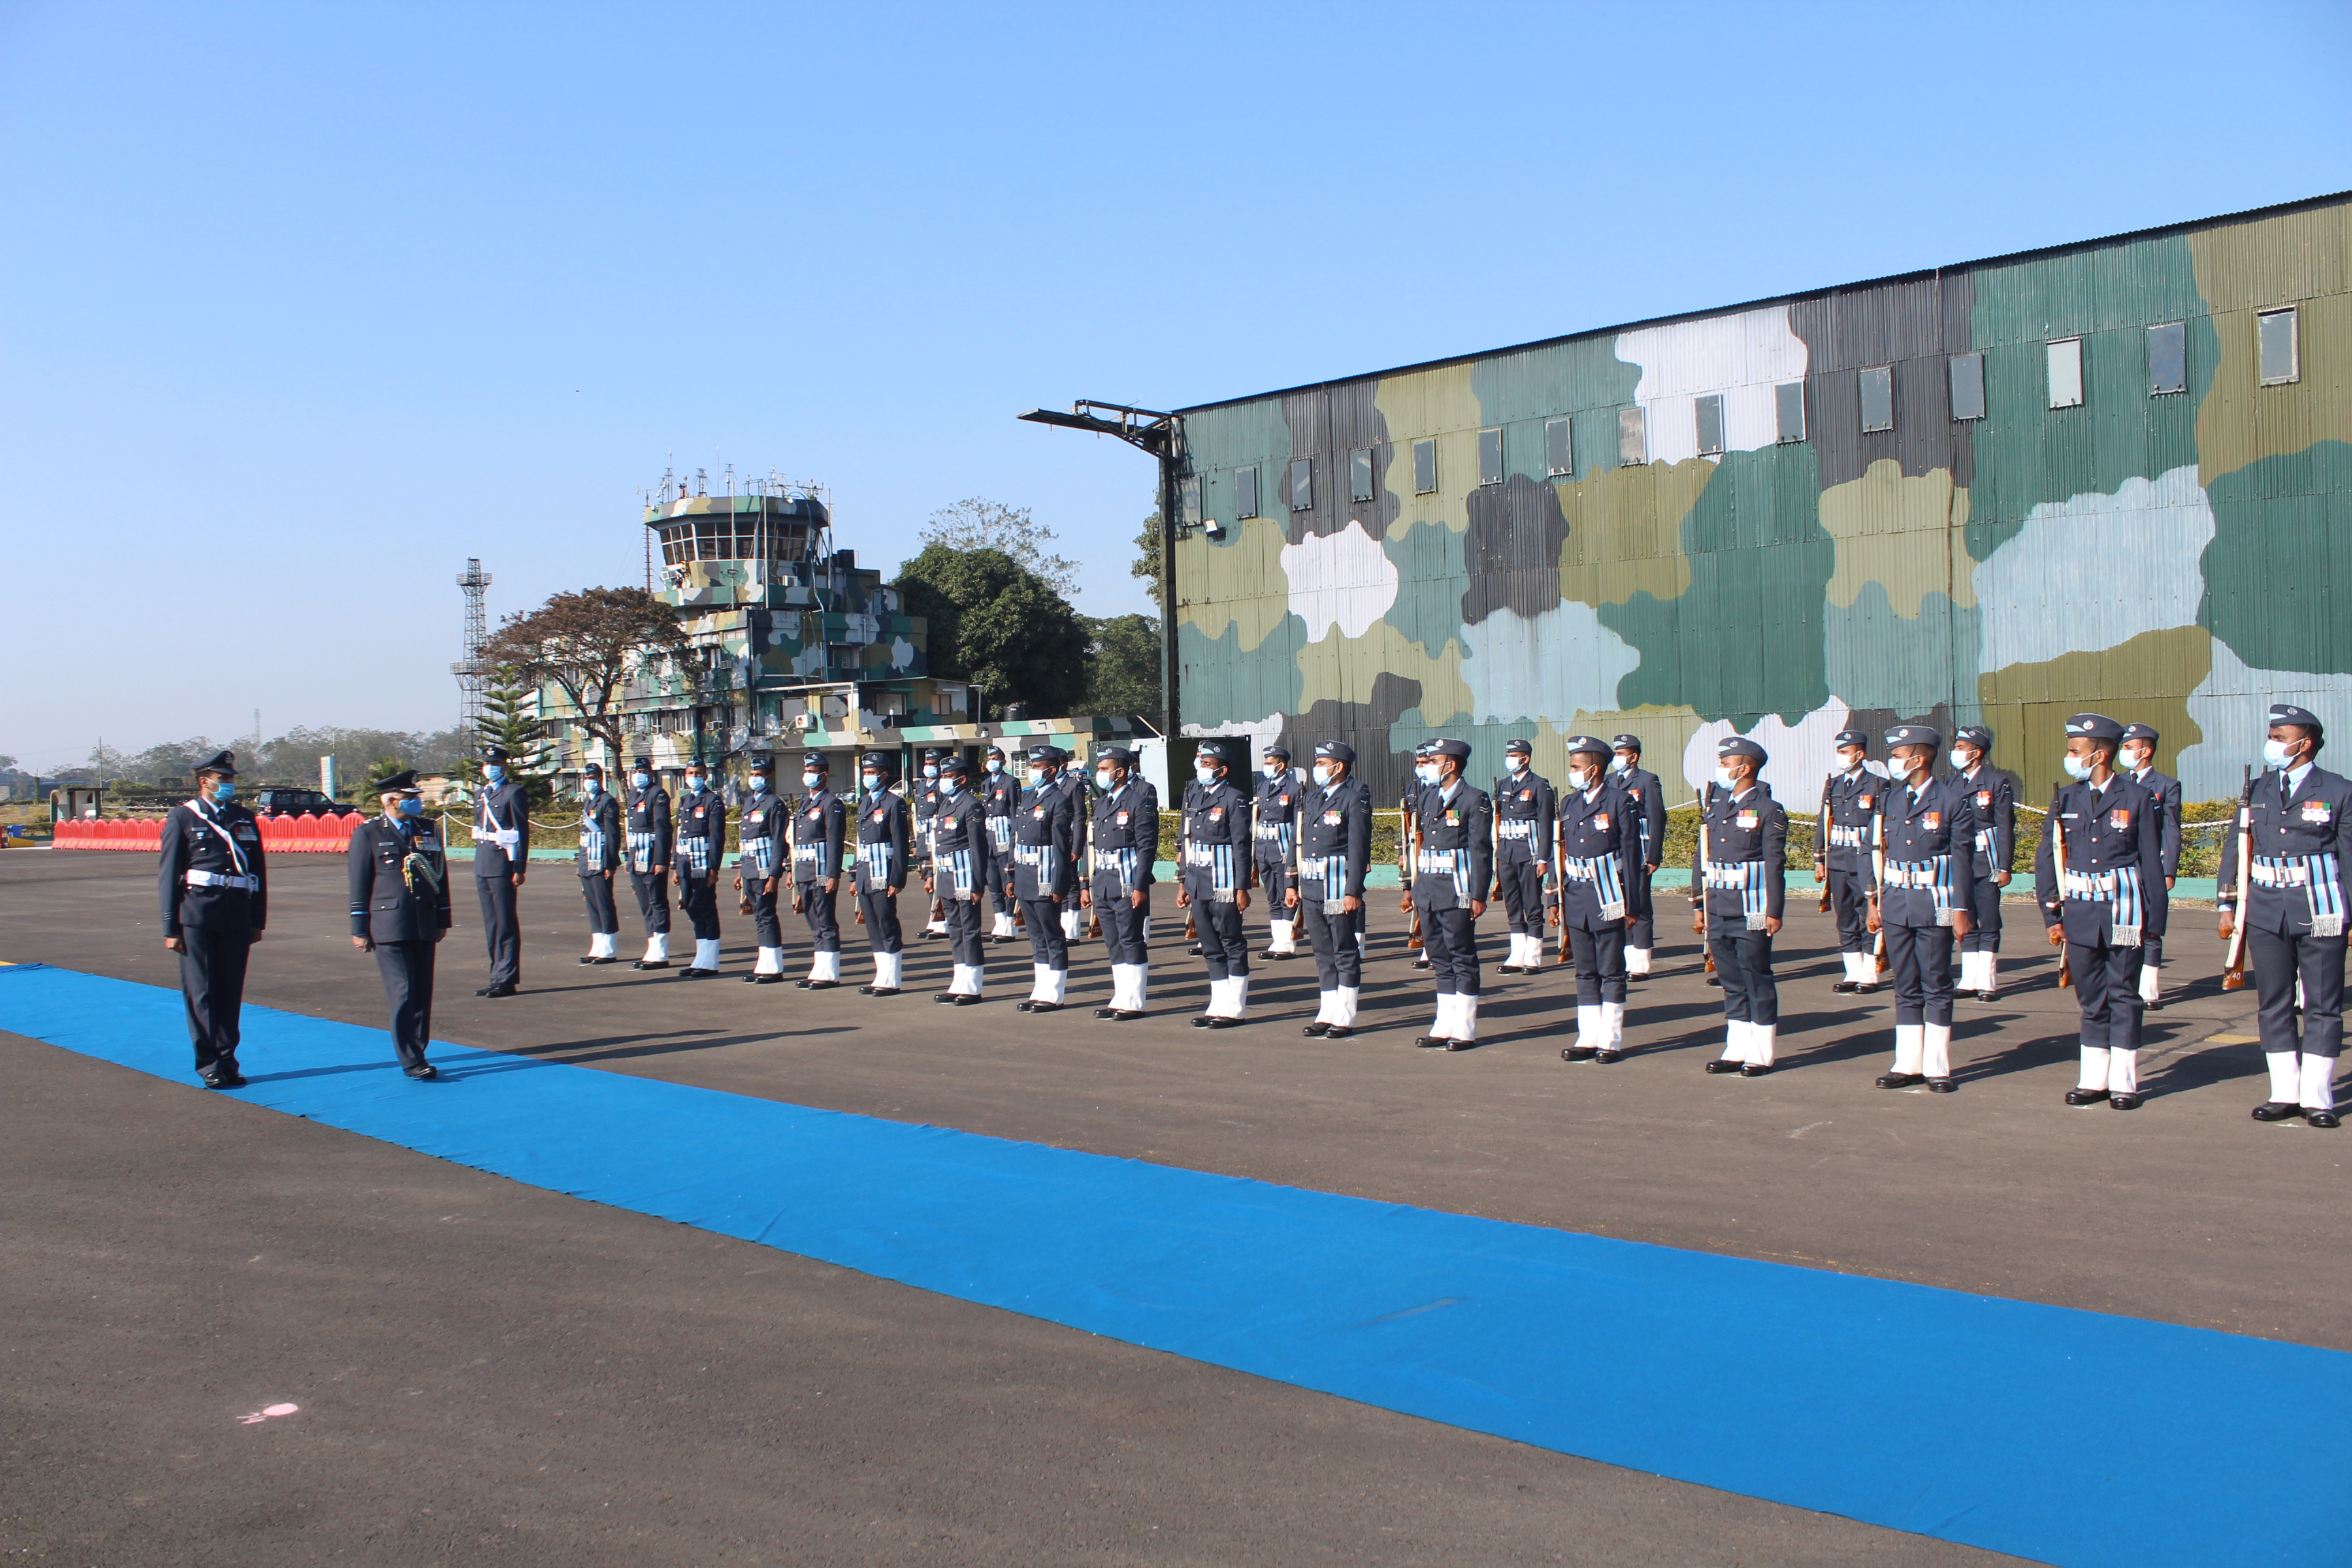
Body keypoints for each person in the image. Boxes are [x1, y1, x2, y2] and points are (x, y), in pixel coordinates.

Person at [2217, 704, 2352, 1127]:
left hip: (2321, 907)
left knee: (2322, 1004)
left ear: (2304, 743)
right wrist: (2227, 903)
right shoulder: (2256, 790)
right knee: (2273, 1001)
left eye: (2279, 737)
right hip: (2266, 910)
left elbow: (2349, 858)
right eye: (2272, 736)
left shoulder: (2338, 790)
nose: (2271, 744)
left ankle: (2318, 1098)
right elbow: (2236, 849)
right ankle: (2284, 1093)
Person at [2035, 713, 2166, 1110]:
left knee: (2124, 996)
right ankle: (2093, 1079)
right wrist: (2050, 914)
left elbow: (2150, 864)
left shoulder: (2137, 798)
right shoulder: (2066, 798)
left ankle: (2124, 1082)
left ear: (2101, 753)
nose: (2070, 756)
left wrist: (2154, 925)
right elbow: (2048, 858)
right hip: (2080, 913)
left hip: (2123, 910)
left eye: (2076, 750)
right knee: (2091, 1000)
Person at [1869, 725, 1976, 1093]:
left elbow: (1963, 859)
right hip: (1897, 903)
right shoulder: (1893, 800)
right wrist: (1873, 902)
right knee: (1905, 984)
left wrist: (1961, 909)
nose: (1893, 762)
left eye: (1898, 756)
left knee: (1936, 983)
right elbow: (1877, 852)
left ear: (1920, 758)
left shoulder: (1952, 801)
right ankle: (1907, 1063)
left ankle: (1937, 1066)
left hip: (1936, 903)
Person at [157, 749, 265, 1088]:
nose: (230, 784)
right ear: (205, 782)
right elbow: (168, 875)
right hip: (197, 914)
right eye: (224, 779)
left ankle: (228, 1059)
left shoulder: (244, 817)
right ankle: (210, 1065)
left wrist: (257, 920)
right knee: (202, 992)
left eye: (232, 779)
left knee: (230, 990)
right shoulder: (183, 818)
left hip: (236, 914)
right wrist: (170, 926)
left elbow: (258, 873)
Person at [348, 770, 451, 1081]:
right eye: (410, 799)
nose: (416, 803)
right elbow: (359, 884)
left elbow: (440, 874)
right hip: (389, 923)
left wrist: (443, 917)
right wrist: (359, 928)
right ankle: (410, 1059)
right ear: (392, 801)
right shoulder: (368, 833)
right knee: (403, 991)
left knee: (421, 991)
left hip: (424, 920)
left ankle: (418, 1047)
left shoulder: (427, 829)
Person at [1695, 736, 1786, 1075]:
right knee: (1731, 980)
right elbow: (1701, 857)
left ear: (1744, 768)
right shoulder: (1717, 806)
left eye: (1726, 762)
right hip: (1718, 903)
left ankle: (1761, 1053)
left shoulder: (1768, 809)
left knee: (1756, 978)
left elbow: (1775, 863)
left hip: (1751, 906)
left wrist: (1774, 911)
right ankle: (1736, 1048)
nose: (1721, 768)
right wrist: (1698, 902)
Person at [1552, 736, 1642, 1063]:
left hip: (1608, 895)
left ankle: (1611, 1039)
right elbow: (1558, 852)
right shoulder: (1569, 803)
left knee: (1611, 970)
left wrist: (1634, 905)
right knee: (1585, 971)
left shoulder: (1620, 802)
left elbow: (1632, 856)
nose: (1572, 773)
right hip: (1576, 895)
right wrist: (1553, 896)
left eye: (1576, 767)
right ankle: (1588, 1037)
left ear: (1594, 769)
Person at [1401, 738, 1492, 1051]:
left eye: (1434, 760)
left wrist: (1479, 895)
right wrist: (1413, 889)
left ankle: (1464, 1028)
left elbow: (1481, 851)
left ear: (1451, 765)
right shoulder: (1427, 797)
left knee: (1462, 958)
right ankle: (1443, 1024)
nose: (1427, 765)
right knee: (1440, 960)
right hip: (1427, 892)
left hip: (1457, 891)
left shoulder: (1474, 799)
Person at [1294, 740, 1372, 1038]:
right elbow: (1298, 842)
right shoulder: (1312, 798)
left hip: (1339, 886)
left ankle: (1345, 1015)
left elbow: (1358, 845)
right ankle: (1327, 1011)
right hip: (1312, 887)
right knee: (1322, 952)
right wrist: (1293, 883)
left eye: (1322, 764)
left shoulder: (1355, 796)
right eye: (1317, 762)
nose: (1317, 768)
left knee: (1344, 950)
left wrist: (1354, 891)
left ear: (1338, 767)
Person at [1180, 739, 1255, 1028]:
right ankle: (1218, 1002)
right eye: (1200, 763)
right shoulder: (1195, 795)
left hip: (1224, 880)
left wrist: (1241, 887)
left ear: (1222, 771)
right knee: (1210, 945)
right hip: (1198, 882)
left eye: (1207, 765)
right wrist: (1183, 883)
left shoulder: (1233, 798)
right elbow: (1188, 841)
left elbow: (1240, 844)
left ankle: (1234, 1007)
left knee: (1231, 941)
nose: (1201, 768)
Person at [1085, 745, 1160, 1019]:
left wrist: (1140, 886)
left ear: (1121, 771)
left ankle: (1135, 1000)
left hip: (1127, 881)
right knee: (1113, 941)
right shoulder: (1102, 802)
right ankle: (1120, 996)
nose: (1099, 774)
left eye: (1104, 769)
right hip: (1104, 881)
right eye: (1099, 768)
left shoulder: (1139, 802)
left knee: (1131, 939)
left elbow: (1146, 847)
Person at [1946, 727, 2014, 1002]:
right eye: (1957, 747)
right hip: (1959, 862)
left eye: (1962, 747)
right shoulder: (1951, 784)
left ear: (1977, 753)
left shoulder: (1996, 783)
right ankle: (1969, 979)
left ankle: (1987, 981)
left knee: (1988, 920)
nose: (1957, 752)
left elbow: (2005, 826)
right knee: (1965, 916)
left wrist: (2005, 866)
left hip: (1986, 861)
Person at [1013, 745, 1082, 1011]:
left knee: (1052, 935)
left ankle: (1054, 993)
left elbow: (1061, 847)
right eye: (1032, 766)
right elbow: (1016, 840)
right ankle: (1039, 990)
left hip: (1045, 878)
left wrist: (1059, 884)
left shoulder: (1059, 801)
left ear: (1052, 770)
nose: (1033, 771)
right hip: (1025, 877)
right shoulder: (1028, 798)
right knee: (1036, 937)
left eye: (1038, 767)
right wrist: (1012, 876)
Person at [2120, 723, 2183, 1009]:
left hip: (2151, 866)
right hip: (2122, 865)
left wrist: (2168, 870)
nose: (2124, 752)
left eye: (2129, 747)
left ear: (2146, 751)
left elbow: (2171, 829)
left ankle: (2149, 989)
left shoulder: (2166, 786)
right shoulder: (2118, 783)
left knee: (2151, 927)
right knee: (2124, 924)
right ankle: (2124, 983)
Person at [1816, 730, 1883, 996]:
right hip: (1837, 861)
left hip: (1863, 862)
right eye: (1839, 752)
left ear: (1860, 754)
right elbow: (1824, 822)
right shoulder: (1833, 784)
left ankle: (1869, 972)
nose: (1840, 757)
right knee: (1844, 917)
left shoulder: (1878, 785)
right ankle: (1852, 971)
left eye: (1845, 752)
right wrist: (1819, 858)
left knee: (1866, 915)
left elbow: (1880, 829)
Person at [927, 754, 994, 1002]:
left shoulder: (971, 805)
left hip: (965, 877)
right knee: (955, 931)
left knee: (969, 931)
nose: (942, 780)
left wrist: (978, 883)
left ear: (962, 779)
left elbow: (978, 847)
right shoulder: (945, 803)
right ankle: (959, 981)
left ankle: (973, 985)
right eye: (942, 776)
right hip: (946, 877)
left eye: (947, 777)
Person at [1492, 738, 1557, 975]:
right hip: (1506, 854)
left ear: (1526, 758)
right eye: (1508, 755)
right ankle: (1516, 954)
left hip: (1529, 854)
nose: (1510, 759)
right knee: (1512, 905)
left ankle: (1533, 957)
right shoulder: (1502, 785)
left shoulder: (1539, 785)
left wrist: (1543, 859)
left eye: (1514, 755)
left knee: (1532, 905)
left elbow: (1546, 824)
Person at [470, 744, 529, 998]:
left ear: (505, 766)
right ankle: (495, 975)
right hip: (483, 863)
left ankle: (507, 978)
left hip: (502, 864)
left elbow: (521, 832)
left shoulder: (513, 793)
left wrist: (519, 867)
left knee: (505, 922)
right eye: (487, 764)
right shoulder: (481, 794)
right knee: (491, 924)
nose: (490, 768)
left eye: (495, 764)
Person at [853, 750, 913, 996]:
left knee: (886, 922)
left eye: (872, 773)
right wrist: (853, 876)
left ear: (884, 775)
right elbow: (860, 843)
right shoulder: (865, 802)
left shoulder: (893, 803)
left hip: (883, 872)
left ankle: (892, 978)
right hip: (865, 873)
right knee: (873, 926)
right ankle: (881, 975)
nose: (867, 777)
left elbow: (901, 844)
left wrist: (897, 878)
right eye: (865, 773)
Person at [1609, 736, 1669, 977]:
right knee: (1619, 904)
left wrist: (1654, 856)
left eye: (1622, 753)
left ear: (1634, 756)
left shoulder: (1646, 780)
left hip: (1640, 852)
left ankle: (1641, 961)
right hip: (1615, 852)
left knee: (1640, 904)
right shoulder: (1609, 780)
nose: (1618, 757)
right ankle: (1626, 958)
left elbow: (1657, 817)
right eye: (1616, 752)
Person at [788, 751, 849, 989]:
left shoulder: (831, 803)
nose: (808, 775)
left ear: (824, 775)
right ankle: (819, 968)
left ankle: (830, 972)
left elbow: (834, 841)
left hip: (822, 871)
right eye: (806, 771)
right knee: (813, 920)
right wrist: (792, 870)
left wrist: (834, 874)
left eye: (813, 772)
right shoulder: (806, 802)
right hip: (804, 870)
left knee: (825, 920)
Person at [673, 757, 728, 978]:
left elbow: (717, 838)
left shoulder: (712, 801)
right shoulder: (685, 800)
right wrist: (675, 866)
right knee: (691, 906)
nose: (694, 777)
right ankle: (701, 957)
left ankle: (710, 960)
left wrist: (714, 869)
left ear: (705, 776)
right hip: (686, 864)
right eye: (690, 774)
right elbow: (680, 834)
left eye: (698, 774)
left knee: (705, 908)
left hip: (703, 864)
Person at [735, 755, 788, 984]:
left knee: (767, 916)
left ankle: (773, 967)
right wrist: (740, 871)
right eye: (753, 775)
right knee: (758, 917)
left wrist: (774, 875)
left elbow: (779, 841)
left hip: (765, 869)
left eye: (759, 775)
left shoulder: (774, 804)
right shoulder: (749, 802)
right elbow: (745, 839)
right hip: (749, 868)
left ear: (769, 778)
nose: (755, 779)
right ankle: (764, 963)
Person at [1254, 743, 1304, 960]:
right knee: (1272, 896)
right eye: (1265, 763)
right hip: (1264, 849)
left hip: (1283, 850)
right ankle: (1277, 940)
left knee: (1287, 896)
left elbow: (1298, 826)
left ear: (1281, 765)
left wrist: (1294, 855)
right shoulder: (1262, 787)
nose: (1266, 766)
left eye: (1269, 763)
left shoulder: (1295, 789)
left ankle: (1287, 943)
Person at [624, 756, 673, 969]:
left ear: (650, 774)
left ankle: (660, 951)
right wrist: (629, 860)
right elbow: (631, 831)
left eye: (643, 771)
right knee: (645, 905)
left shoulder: (658, 795)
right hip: (637, 859)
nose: (639, 775)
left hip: (653, 858)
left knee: (657, 903)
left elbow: (663, 829)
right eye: (636, 771)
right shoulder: (633, 794)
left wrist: (662, 860)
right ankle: (651, 947)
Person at [574, 762, 623, 964]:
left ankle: (609, 948)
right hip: (588, 860)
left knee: (604, 903)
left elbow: (613, 835)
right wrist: (580, 865)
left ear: (600, 779)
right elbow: (584, 836)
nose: (590, 781)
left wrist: (610, 864)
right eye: (587, 777)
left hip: (601, 860)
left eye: (593, 777)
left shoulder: (607, 801)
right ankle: (597, 946)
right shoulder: (588, 802)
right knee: (592, 904)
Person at [981, 745, 1022, 945]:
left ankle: (1010, 925)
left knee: (1008, 884)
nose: (992, 761)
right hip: (989, 840)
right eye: (989, 758)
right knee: (994, 885)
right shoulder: (986, 783)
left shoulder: (1011, 782)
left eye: (995, 758)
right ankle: (1000, 922)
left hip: (1004, 838)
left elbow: (1015, 813)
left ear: (1004, 762)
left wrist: (1015, 838)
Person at [914, 749, 950, 941]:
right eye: (928, 763)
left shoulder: (942, 786)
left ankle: (943, 921)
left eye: (935, 764)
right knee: (928, 882)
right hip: (923, 841)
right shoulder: (921, 786)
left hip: (936, 839)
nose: (930, 767)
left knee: (937, 882)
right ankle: (934, 919)